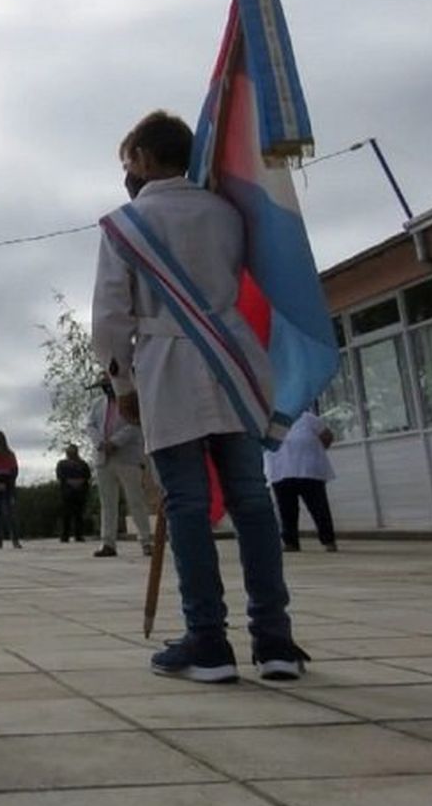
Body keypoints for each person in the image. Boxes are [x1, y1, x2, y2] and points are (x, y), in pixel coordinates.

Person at [92, 110, 306, 683]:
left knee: (185, 504)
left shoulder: (125, 225)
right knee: (252, 501)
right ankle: (275, 640)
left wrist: (123, 386)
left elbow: (110, 320)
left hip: (167, 369)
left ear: (140, 158)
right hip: (234, 364)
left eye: (127, 159)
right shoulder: (228, 212)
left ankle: (208, 641)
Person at [86, 376, 154, 557]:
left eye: (109, 385)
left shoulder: (131, 400)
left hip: (127, 457)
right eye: (104, 386)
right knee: (107, 503)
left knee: (135, 501)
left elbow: (136, 425)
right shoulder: (97, 404)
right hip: (103, 458)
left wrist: (115, 442)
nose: (106, 389)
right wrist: (100, 442)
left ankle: (146, 541)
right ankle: (108, 543)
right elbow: (90, 425)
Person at [264, 409, 339, 552]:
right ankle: (290, 542)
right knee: (286, 510)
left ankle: (328, 540)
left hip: (309, 471)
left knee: (319, 508)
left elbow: (327, 437)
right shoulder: (269, 421)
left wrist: (313, 452)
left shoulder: (308, 418)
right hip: (282, 471)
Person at [55, 445, 92, 543]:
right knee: (66, 515)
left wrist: (79, 482)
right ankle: (65, 535)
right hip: (67, 492)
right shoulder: (62, 464)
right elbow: (60, 476)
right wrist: (71, 482)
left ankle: (79, 535)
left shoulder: (82, 464)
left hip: (80, 492)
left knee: (79, 514)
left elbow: (87, 475)